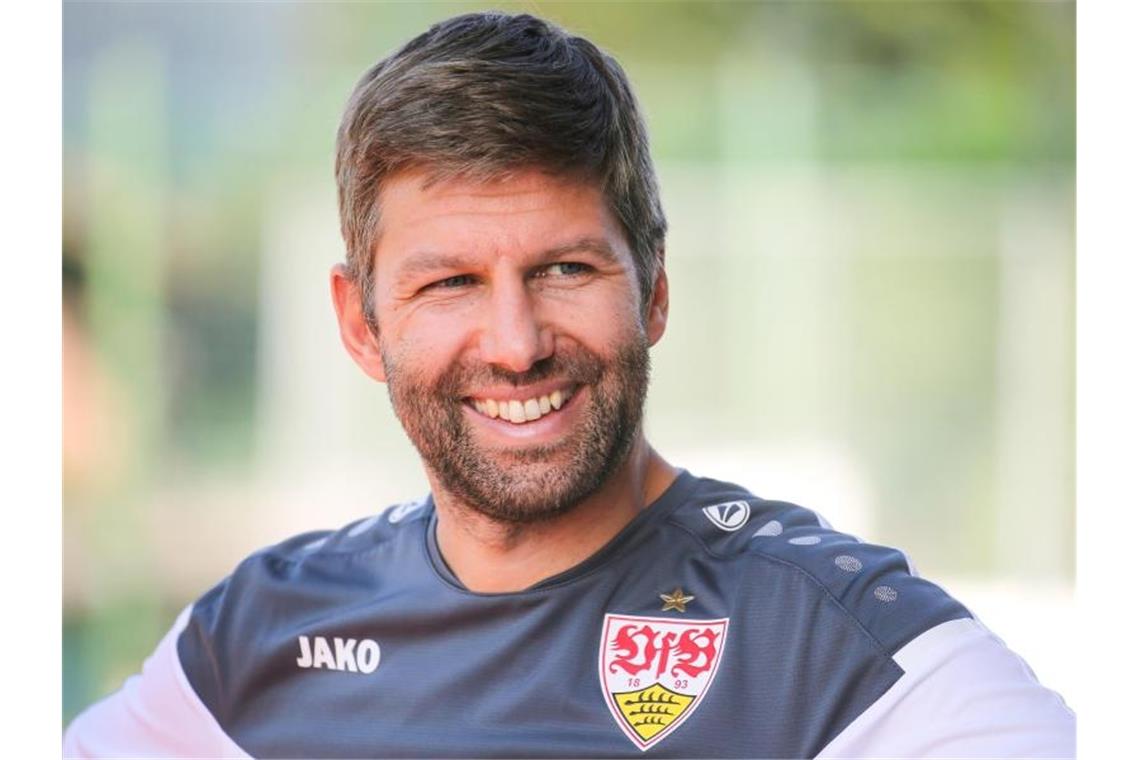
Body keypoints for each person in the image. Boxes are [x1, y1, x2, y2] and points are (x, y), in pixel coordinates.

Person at [64, 11, 1074, 758]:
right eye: (450, 282)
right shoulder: (256, 641)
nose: (515, 343)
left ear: (657, 290)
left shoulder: (843, 655)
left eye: (564, 270)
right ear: (359, 324)